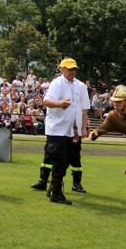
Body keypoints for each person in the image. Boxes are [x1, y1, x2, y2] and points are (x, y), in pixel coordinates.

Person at [33, 58, 89, 205]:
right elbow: (46, 101)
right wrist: (59, 104)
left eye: (75, 69)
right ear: (62, 69)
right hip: (56, 129)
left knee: (65, 160)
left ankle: (53, 188)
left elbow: (75, 109)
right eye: (70, 69)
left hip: (69, 130)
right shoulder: (57, 83)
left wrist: (76, 128)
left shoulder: (76, 86)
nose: (73, 72)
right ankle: (56, 192)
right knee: (59, 161)